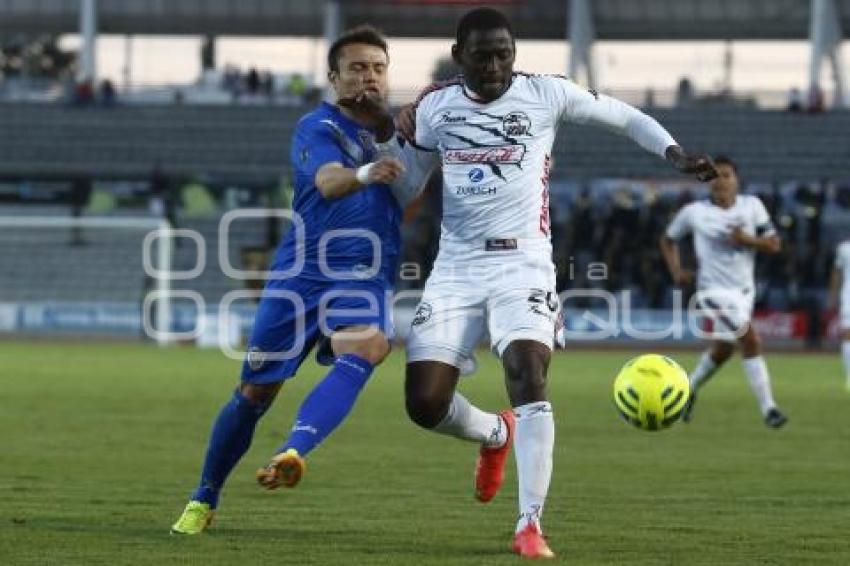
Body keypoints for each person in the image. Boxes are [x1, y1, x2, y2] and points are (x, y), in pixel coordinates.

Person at [394, 7, 716, 559]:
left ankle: (529, 523)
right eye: (482, 54)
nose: (495, 65)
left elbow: (622, 116)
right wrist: (391, 147)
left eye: (504, 53)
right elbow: (408, 184)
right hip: (455, 267)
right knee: (424, 403)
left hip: (523, 264)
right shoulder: (435, 108)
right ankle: (495, 434)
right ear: (459, 56)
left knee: (526, 369)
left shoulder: (547, 94)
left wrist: (672, 151)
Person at [171, 25, 428, 535]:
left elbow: (408, 205)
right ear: (333, 77)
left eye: (377, 68)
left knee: (371, 344)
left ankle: (294, 450)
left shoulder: (404, 139)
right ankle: (203, 498)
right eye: (356, 67)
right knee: (253, 395)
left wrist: (412, 156)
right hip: (300, 276)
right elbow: (329, 181)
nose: (369, 77)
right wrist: (364, 174)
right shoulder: (317, 126)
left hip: (363, 273)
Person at [660, 155, 788, 428]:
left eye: (727, 174)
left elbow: (774, 244)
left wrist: (746, 239)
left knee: (724, 349)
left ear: (736, 180)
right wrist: (677, 271)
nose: (721, 180)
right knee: (750, 340)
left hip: (744, 291)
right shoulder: (694, 212)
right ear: (707, 181)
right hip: (712, 292)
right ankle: (770, 409)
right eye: (715, 175)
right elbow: (668, 239)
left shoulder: (753, 206)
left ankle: (688, 390)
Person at [828, 239, 850, 389]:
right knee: (847, 336)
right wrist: (833, 296)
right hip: (848, 297)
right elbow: (836, 273)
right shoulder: (844, 248)